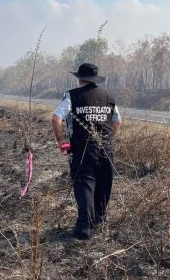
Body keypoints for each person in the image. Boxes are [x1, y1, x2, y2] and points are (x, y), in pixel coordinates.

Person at [52, 63, 122, 240]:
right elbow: (117, 122)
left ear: (79, 79)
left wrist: (61, 140)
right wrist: (108, 139)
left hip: (83, 149)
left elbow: (57, 118)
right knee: (103, 184)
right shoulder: (108, 96)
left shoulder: (72, 95)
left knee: (84, 184)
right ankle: (98, 220)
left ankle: (84, 227)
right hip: (105, 149)